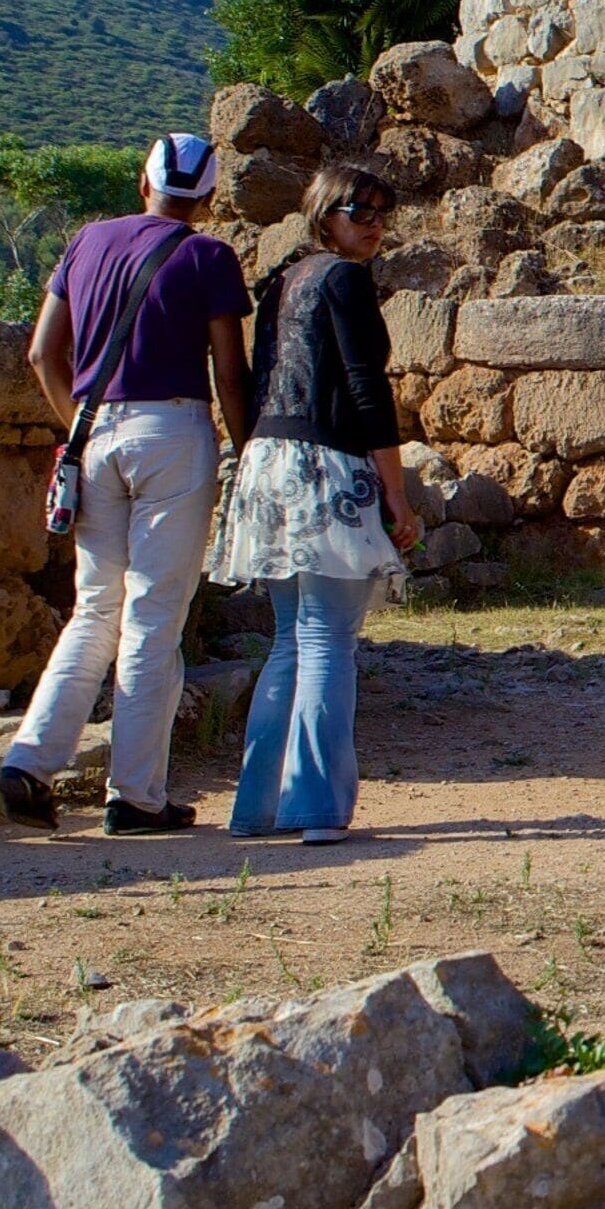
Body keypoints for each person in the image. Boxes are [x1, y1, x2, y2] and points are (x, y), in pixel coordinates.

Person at [1, 133, 251, 835]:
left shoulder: (87, 242)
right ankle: (136, 795)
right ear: (206, 198)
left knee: (93, 611)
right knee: (152, 617)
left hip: (93, 433)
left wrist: (78, 425)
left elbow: (42, 352)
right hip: (172, 434)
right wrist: (249, 447)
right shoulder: (208, 255)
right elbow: (228, 372)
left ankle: (29, 761)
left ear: (143, 182)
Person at [210, 162, 415, 845]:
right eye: (363, 211)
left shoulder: (282, 283)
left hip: (267, 462)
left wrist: (248, 454)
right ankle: (317, 807)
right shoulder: (344, 279)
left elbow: (247, 376)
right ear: (326, 214)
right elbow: (366, 387)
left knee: (290, 643)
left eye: (384, 212)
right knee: (328, 640)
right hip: (328, 462)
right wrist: (395, 490)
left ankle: (257, 807)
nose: (377, 225)